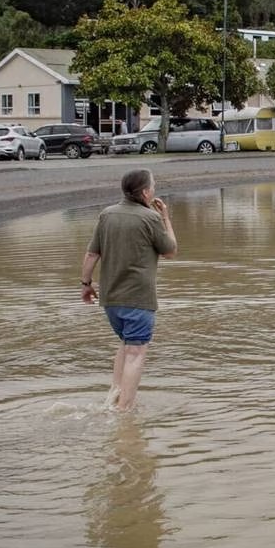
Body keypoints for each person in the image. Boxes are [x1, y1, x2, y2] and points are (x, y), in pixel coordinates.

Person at [81, 168, 178, 411]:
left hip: (110, 299)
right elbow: (170, 250)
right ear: (146, 192)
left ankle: (114, 396)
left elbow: (92, 253)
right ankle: (124, 412)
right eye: (152, 186)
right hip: (138, 299)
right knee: (136, 352)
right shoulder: (150, 218)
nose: (154, 190)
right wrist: (165, 217)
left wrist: (86, 285)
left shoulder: (107, 215)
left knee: (126, 345)